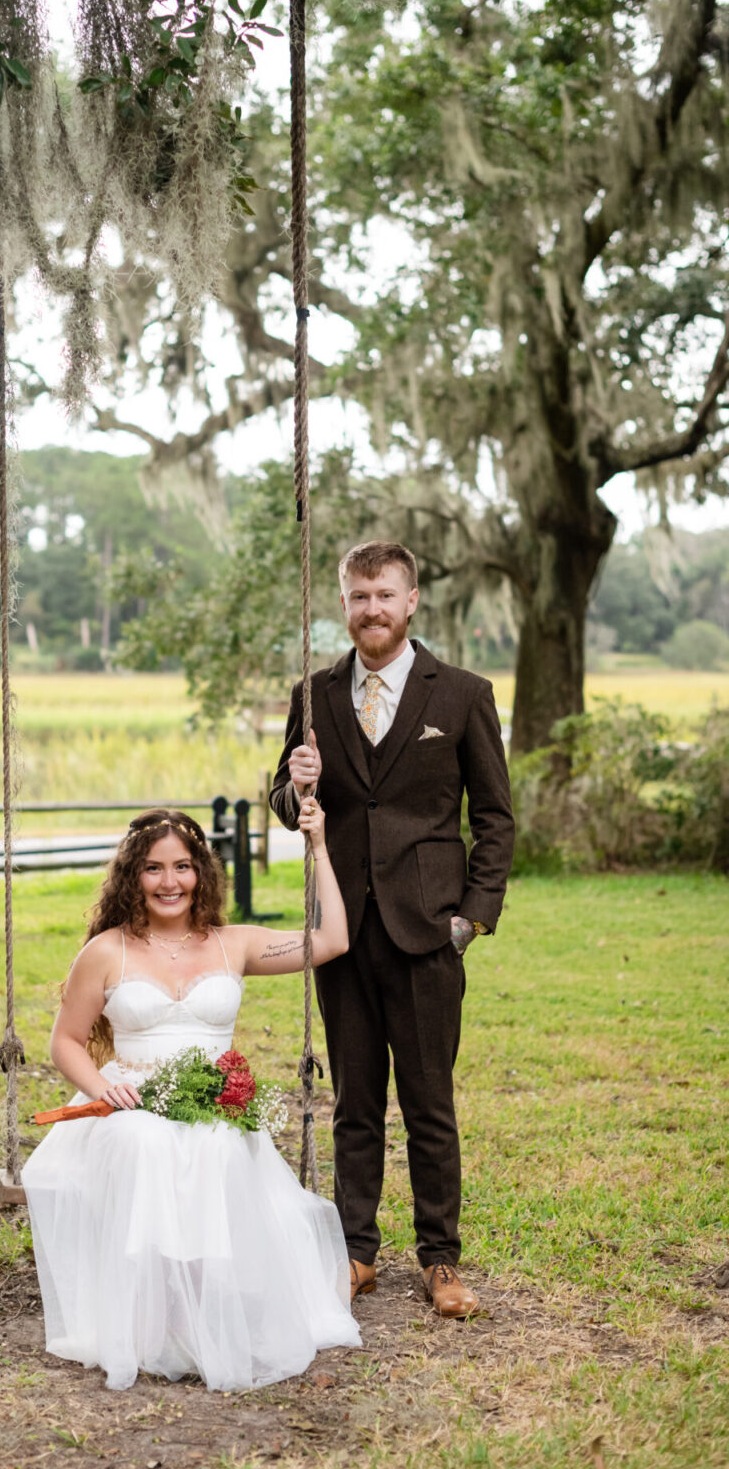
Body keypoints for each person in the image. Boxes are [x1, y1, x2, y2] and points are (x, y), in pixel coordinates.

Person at [22, 801, 361, 1392]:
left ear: (201, 871)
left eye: (182, 866)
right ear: (133, 876)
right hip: (131, 1100)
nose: (169, 882)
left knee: (218, 1147)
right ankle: (152, 1318)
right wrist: (105, 1087)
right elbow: (66, 1042)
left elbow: (333, 939)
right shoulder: (107, 951)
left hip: (212, 1103)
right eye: (154, 868)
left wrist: (320, 846)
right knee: (142, 1144)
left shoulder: (235, 944)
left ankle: (210, 1314)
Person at [269, 540, 514, 1318]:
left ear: (411, 602)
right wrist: (291, 790)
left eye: (384, 594)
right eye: (357, 595)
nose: (370, 608)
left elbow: (497, 820)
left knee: (430, 1102)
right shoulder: (313, 694)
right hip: (341, 930)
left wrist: (472, 918)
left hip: (427, 931)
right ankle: (356, 1253)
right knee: (354, 1104)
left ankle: (441, 1261)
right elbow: (285, 800)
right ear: (341, 604)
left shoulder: (463, 695)